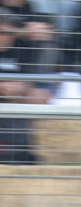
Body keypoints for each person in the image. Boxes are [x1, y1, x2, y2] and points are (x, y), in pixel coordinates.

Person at [0, 7, 48, 164]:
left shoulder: (21, 48)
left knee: (38, 97)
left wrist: (23, 87)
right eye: (2, 33)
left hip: (15, 100)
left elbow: (31, 78)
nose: (6, 38)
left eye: (10, 33)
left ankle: (19, 155)